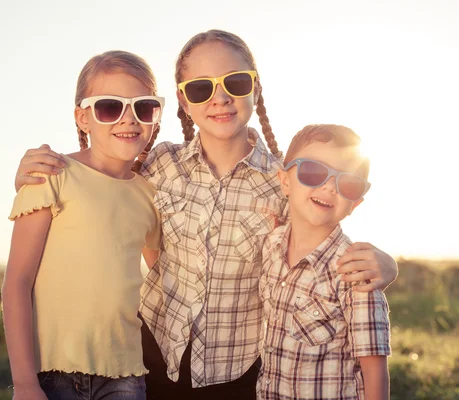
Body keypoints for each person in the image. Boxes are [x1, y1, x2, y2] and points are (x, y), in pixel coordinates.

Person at [13, 30, 398, 399]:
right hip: (149, 361)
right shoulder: (160, 165)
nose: (220, 98)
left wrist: (386, 265)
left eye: (235, 83)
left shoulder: (283, 181)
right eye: (201, 88)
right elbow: (105, 173)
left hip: (237, 373)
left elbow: (325, 236)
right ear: (183, 101)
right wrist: (36, 173)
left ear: (255, 88)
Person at [2, 51, 164, 400]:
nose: (128, 119)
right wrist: (25, 383)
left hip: (125, 374)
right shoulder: (51, 174)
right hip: (51, 372)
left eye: (143, 107)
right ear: (83, 118)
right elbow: (17, 281)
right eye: (110, 107)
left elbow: (163, 277)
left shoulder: (150, 195)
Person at [258, 124, 390, 400]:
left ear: (354, 204)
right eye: (313, 171)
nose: (329, 187)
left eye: (348, 183)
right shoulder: (271, 245)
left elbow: (374, 371)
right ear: (285, 181)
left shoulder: (355, 271)